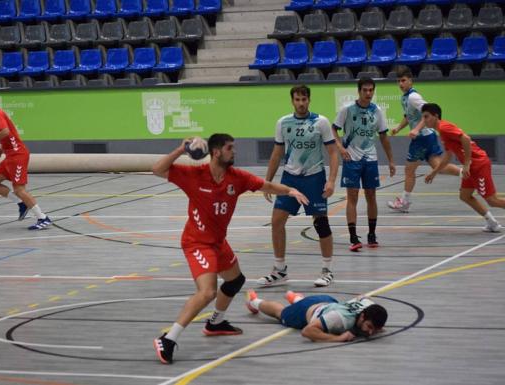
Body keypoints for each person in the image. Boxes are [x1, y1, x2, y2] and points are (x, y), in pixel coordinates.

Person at [151, 133, 308, 365]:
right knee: (207, 292)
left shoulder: (237, 178)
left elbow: (267, 185)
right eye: (229, 148)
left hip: (218, 242)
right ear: (215, 152)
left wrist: (290, 191)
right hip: (197, 242)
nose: (234, 152)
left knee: (235, 281)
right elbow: (157, 169)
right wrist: (180, 149)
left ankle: (215, 323)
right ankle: (168, 339)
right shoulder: (194, 175)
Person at [258, 85, 339, 288]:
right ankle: (280, 270)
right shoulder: (283, 123)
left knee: (321, 224)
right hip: (290, 178)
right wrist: (267, 183)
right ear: (292, 101)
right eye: (297, 99)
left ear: (309, 100)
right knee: (277, 221)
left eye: (304, 99)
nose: (301, 103)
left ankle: (327, 270)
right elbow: (277, 153)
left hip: (314, 178)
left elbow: (332, 153)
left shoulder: (321, 122)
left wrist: (331, 181)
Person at [422, 103, 505, 234]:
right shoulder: (442, 132)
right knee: (465, 195)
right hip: (471, 168)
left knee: (492, 200)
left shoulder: (444, 127)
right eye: (423, 117)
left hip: (478, 164)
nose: (424, 120)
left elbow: (465, 139)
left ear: (436, 115)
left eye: (426, 116)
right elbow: (448, 155)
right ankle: (492, 223)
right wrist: (434, 172)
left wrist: (467, 163)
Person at [332, 77, 396, 251]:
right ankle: (353, 237)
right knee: (352, 196)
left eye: (371, 90)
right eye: (365, 90)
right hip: (351, 159)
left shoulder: (377, 111)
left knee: (371, 196)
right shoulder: (347, 109)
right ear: (358, 91)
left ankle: (372, 234)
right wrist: (340, 147)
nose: (368, 93)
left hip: (370, 159)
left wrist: (391, 160)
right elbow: (334, 129)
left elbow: (383, 137)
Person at [0, 91, 51, 230]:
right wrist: (2, 148)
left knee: (19, 189)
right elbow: (9, 135)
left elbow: (5, 131)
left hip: (17, 155)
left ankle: (43, 217)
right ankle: (21, 203)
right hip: (9, 155)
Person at [387, 68, 461, 213]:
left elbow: (428, 112)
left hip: (422, 138)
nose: (400, 84)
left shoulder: (413, 97)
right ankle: (466, 173)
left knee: (409, 169)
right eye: (398, 81)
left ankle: (405, 202)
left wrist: (416, 130)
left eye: (403, 80)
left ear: (410, 80)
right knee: (438, 166)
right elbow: (408, 117)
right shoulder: (405, 97)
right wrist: (398, 128)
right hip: (429, 136)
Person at [246, 289, 387, 341]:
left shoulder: (368, 308)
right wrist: (337, 338)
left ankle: (294, 298)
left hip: (327, 301)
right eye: (369, 327)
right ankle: (253, 300)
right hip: (305, 311)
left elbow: (361, 296)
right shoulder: (339, 320)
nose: (370, 332)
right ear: (362, 317)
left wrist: (375, 326)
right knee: (280, 313)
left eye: (374, 329)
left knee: (310, 307)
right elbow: (307, 332)